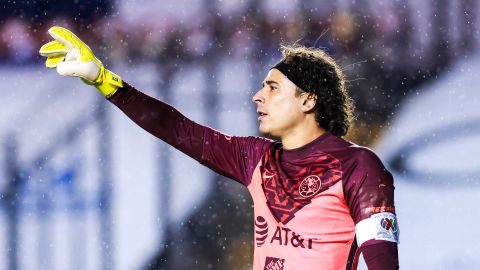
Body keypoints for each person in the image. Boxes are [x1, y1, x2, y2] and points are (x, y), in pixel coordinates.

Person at [39, 26, 399, 270]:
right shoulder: (256, 158)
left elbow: (382, 260)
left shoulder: (358, 166)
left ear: (308, 100)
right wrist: (103, 79)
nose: (258, 96)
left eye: (273, 88)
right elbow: (176, 129)